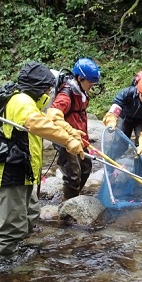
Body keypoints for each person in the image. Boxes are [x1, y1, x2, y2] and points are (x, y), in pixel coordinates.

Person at [0, 61, 86, 259]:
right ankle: (6, 264)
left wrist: (69, 130)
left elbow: (47, 120)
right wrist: (68, 141)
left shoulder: (29, 103)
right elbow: (36, 123)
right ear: (37, 87)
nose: (50, 92)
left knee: (30, 213)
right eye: (47, 88)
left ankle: (24, 252)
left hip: (23, 170)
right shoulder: (21, 101)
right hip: (9, 172)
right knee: (12, 222)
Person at [46, 57, 101, 200]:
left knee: (86, 166)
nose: (92, 85)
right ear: (79, 78)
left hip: (79, 137)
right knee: (73, 174)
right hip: (66, 138)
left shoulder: (81, 91)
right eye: (90, 82)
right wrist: (69, 131)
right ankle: (68, 204)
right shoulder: (66, 94)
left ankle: (72, 197)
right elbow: (52, 114)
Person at [102, 71, 142, 163]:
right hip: (125, 117)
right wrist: (111, 121)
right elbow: (116, 106)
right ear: (139, 90)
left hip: (140, 121)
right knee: (120, 143)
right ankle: (110, 163)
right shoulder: (127, 93)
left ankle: (140, 171)